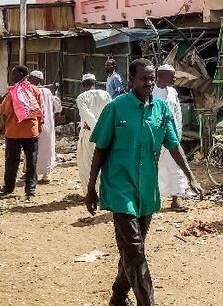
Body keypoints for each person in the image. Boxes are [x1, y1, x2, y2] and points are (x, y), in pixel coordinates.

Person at [86, 58, 202, 306]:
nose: (150, 83)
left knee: (132, 251)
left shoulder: (160, 110)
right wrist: (91, 188)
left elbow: (173, 145)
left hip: (147, 190)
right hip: (120, 189)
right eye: (145, 79)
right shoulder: (116, 108)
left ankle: (118, 296)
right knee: (135, 250)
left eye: (152, 79)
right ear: (132, 80)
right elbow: (101, 149)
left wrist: (191, 177)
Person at [0, 66, 44, 198]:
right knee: (32, 161)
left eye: (13, 73)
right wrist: (38, 127)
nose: (11, 75)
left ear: (20, 74)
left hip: (14, 132)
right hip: (31, 131)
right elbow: (41, 110)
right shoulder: (35, 89)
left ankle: (9, 188)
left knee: (12, 161)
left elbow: (5, 110)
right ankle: (30, 189)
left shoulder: (13, 91)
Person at [153, 64, 190, 212]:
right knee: (153, 168)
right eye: (172, 75)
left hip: (172, 137)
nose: (175, 78)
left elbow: (177, 114)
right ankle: (152, 200)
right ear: (162, 76)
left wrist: (178, 134)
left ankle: (176, 199)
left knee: (176, 167)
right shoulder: (150, 93)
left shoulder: (173, 92)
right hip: (155, 138)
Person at [76, 73, 111, 192]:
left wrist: (97, 129)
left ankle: (91, 191)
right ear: (95, 83)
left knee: (88, 163)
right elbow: (110, 113)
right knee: (104, 162)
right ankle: (102, 190)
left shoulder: (82, 97)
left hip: (90, 133)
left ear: (83, 84)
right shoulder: (105, 95)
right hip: (105, 133)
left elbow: (86, 115)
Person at [27, 70, 62, 183]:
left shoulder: (30, 90)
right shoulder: (47, 92)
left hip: (33, 125)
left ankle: (33, 172)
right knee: (47, 149)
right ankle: (46, 174)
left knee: (32, 149)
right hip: (47, 125)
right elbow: (57, 107)